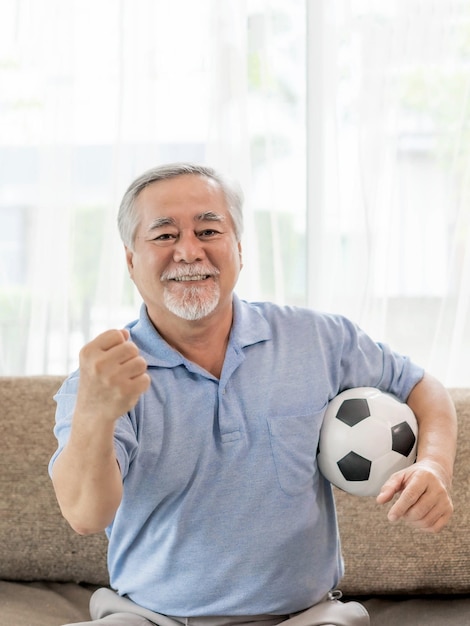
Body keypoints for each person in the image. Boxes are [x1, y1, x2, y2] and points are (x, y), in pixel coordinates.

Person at [49, 162, 457, 626]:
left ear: (239, 249)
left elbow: (423, 387)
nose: (188, 251)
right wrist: (95, 416)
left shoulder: (318, 338)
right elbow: (84, 515)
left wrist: (434, 466)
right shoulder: (102, 377)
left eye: (208, 230)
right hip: (149, 618)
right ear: (130, 260)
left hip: (304, 617)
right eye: (164, 236)